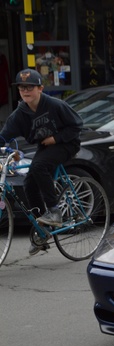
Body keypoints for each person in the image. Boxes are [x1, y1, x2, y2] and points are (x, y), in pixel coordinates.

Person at [0, 69, 83, 255]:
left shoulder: (55, 104)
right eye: (22, 88)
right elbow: (4, 136)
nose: (25, 91)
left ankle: (54, 211)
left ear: (40, 88)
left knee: (39, 166)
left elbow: (77, 125)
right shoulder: (20, 113)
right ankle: (42, 229)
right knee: (29, 183)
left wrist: (56, 138)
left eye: (30, 87)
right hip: (45, 147)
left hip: (67, 143)